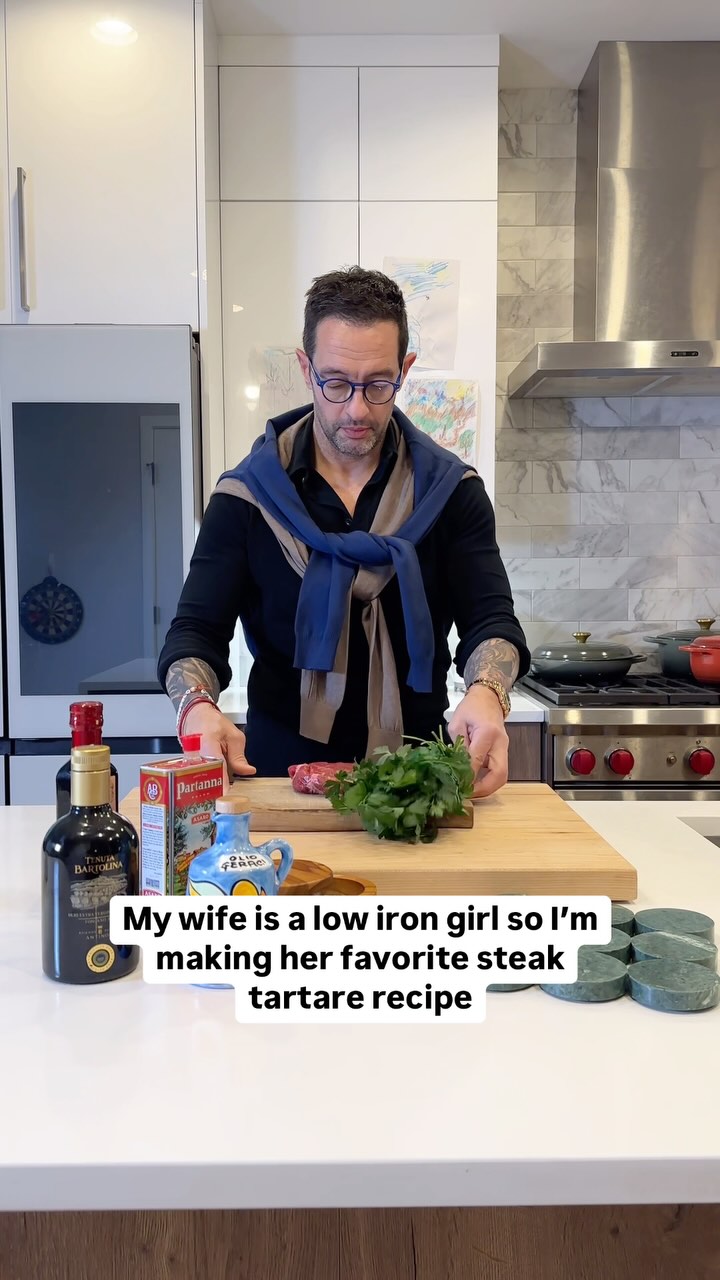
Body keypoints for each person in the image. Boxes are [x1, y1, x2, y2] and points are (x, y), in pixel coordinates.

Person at [158, 267, 530, 798]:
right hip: (276, 782)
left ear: (405, 370)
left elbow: (490, 621)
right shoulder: (246, 498)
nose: (356, 409)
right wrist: (195, 706)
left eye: (378, 384)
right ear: (305, 368)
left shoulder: (451, 492)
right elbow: (195, 632)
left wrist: (489, 693)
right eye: (335, 383)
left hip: (419, 781)